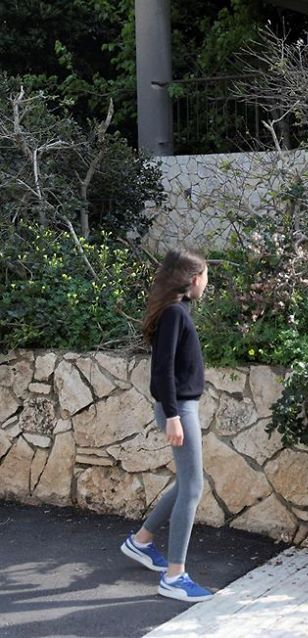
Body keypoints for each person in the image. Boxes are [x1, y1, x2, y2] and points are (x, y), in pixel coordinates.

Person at [120, 249, 213, 603]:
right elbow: (161, 371)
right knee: (192, 487)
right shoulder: (175, 313)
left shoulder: (177, 310)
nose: (207, 283)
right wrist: (173, 416)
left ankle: (141, 541)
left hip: (180, 407)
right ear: (193, 280)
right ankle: (175, 576)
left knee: (188, 482)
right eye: (205, 276)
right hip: (178, 409)